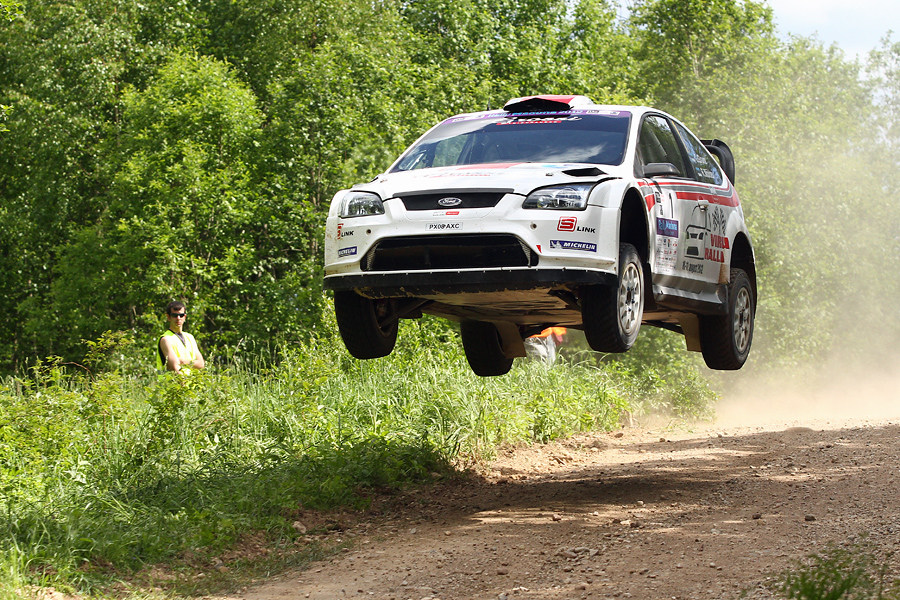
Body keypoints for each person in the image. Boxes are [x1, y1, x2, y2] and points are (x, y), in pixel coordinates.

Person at [157, 301, 205, 374]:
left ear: (185, 317)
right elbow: (176, 368)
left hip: (192, 381)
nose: (178, 318)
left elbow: (201, 364)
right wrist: (192, 363)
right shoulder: (166, 339)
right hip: (173, 381)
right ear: (168, 317)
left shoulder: (190, 337)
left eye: (181, 315)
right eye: (174, 315)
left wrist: (184, 362)